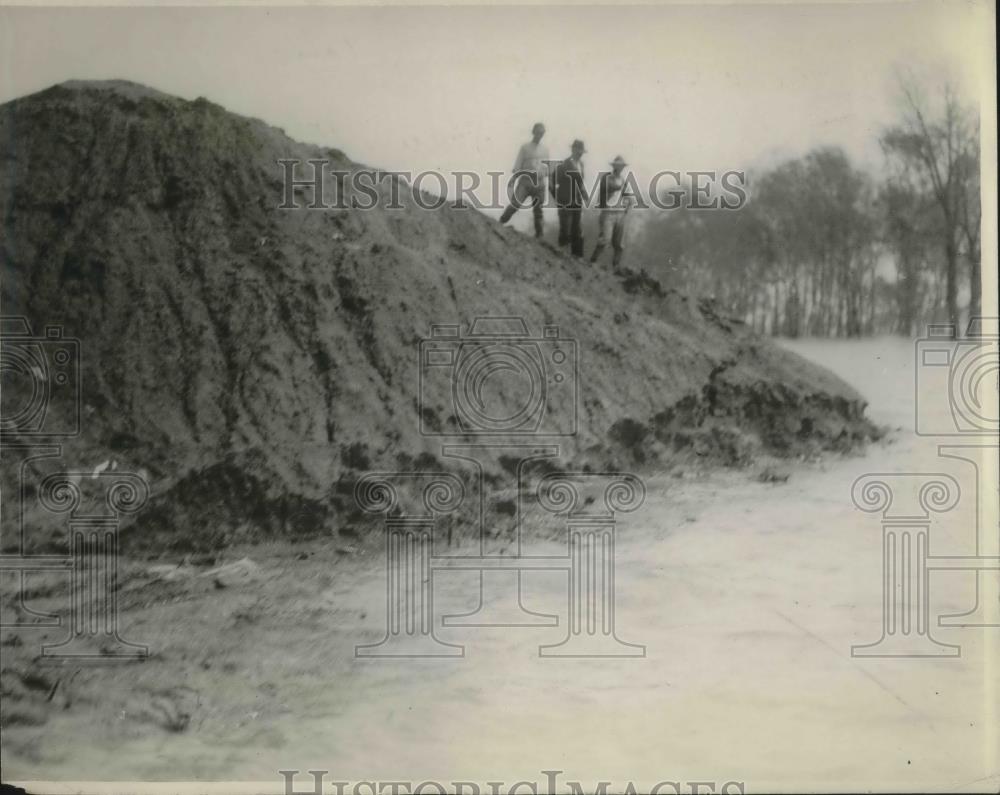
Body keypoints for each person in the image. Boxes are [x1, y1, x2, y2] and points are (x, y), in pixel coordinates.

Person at [499, 122, 549, 237]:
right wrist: (513, 179)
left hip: (539, 184)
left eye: (542, 133)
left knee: (538, 211)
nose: (539, 135)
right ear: (533, 132)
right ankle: (500, 222)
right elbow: (517, 165)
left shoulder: (545, 150)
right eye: (538, 132)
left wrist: (545, 175)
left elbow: (548, 168)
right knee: (515, 204)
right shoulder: (525, 147)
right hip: (525, 182)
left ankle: (539, 236)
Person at [590, 155, 635, 270]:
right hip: (608, 212)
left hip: (620, 213)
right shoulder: (607, 178)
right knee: (605, 239)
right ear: (614, 166)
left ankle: (616, 266)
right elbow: (608, 187)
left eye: (621, 166)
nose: (619, 168)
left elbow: (630, 196)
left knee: (619, 243)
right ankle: (593, 260)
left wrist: (628, 206)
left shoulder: (624, 181)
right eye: (617, 166)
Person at [550, 139, 589, 257]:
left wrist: (584, 194)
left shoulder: (581, 165)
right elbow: (552, 182)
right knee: (565, 228)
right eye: (578, 150)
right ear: (572, 150)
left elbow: (580, 182)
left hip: (577, 201)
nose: (580, 153)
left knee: (577, 229)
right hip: (565, 200)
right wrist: (557, 197)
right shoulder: (564, 165)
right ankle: (562, 255)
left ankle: (577, 258)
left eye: (581, 151)